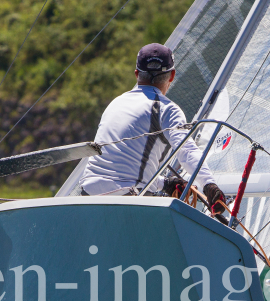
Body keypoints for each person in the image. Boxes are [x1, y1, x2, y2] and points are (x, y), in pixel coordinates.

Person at [78, 43, 228, 218]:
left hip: (86, 197)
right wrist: (209, 185)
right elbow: (186, 152)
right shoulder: (167, 109)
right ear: (172, 75)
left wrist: (165, 183)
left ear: (136, 74)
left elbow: (124, 167)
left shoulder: (115, 103)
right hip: (127, 201)